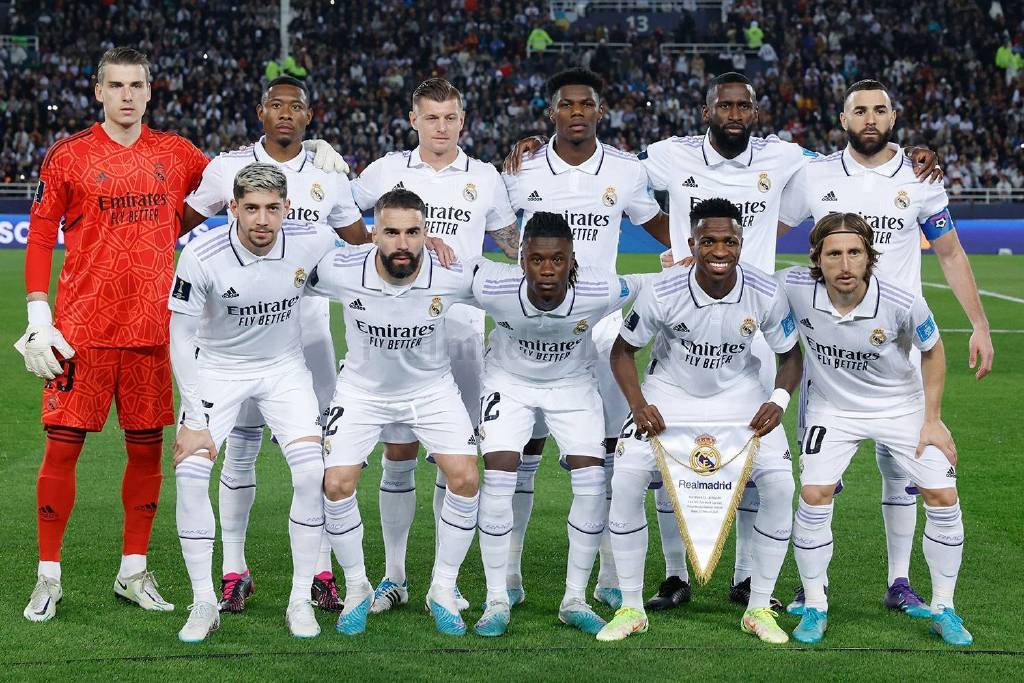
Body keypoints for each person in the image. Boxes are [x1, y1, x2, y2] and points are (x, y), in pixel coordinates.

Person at [778, 79, 993, 617]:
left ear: (893, 118)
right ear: (843, 119)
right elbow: (766, 229)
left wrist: (979, 324)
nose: (869, 119)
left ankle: (899, 580)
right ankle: (813, 587)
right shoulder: (815, 175)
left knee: (903, 470)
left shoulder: (920, 177)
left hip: (901, 344)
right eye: (859, 111)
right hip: (831, 349)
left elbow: (949, 252)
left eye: (879, 110)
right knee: (820, 480)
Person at [20, 46, 208, 623]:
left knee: (146, 452)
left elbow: (229, 181)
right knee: (61, 449)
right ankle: (48, 577)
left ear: (150, 91)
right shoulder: (68, 155)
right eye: (117, 85)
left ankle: (133, 571)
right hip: (82, 330)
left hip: (153, 329)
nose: (127, 95)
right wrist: (37, 313)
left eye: (137, 85)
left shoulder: (177, 153)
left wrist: (309, 152)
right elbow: (40, 234)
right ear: (99, 91)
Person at [182, 75, 367, 614]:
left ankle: (321, 572)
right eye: (276, 105)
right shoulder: (228, 168)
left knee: (319, 456)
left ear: (309, 116)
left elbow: (361, 247)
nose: (286, 114)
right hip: (238, 336)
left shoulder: (329, 173)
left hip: (308, 335)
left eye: (296, 107)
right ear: (260, 111)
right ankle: (234, 570)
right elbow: (180, 223)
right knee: (239, 451)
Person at [500, 67, 670, 611]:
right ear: (552, 112)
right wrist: (515, 258)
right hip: (536, 323)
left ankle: (608, 577)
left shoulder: (625, 169)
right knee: (523, 451)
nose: (577, 112)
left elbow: (658, 225)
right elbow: (500, 228)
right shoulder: (522, 166)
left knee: (611, 453)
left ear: (600, 111)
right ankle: (509, 575)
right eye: (567, 104)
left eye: (586, 104)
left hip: (602, 328)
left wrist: (693, 252)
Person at [348, 77, 518, 614]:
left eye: (450, 118)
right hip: (394, 334)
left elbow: (512, 244)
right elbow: (343, 221)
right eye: (431, 117)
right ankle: (393, 576)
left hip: (462, 335)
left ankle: (447, 582)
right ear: (413, 120)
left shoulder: (485, 177)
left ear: (462, 121)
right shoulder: (384, 171)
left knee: (456, 459)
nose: (441, 128)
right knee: (397, 452)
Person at [599, 198, 801, 643]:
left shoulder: (765, 291)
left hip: (741, 396)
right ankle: (631, 607)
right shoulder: (663, 290)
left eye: (729, 241)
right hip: (669, 394)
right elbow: (622, 352)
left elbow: (791, 356)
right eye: (708, 241)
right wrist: (638, 404)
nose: (719, 251)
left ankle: (758, 607)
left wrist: (779, 400)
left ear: (741, 243)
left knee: (780, 484)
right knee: (628, 476)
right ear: (692, 243)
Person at [778, 213, 971, 646]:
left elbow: (933, 350)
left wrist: (933, 419)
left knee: (943, 496)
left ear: (869, 257)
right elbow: (742, 282)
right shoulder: (792, 285)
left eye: (855, 253)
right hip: (832, 409)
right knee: (814, 493)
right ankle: (815, 604)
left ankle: (944, 608)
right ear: (817, 258)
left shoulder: (901, 300)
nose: (845, 264)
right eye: (834, 254)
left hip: (901, 407)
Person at [169, 163, 334, 642]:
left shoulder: (313, 240)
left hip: (284, 370)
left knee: (311, 473)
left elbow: (373, 261)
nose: (263, 219)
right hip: (217, 369)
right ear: (233, 208)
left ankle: (299, 599)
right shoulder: (202, 254)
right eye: (252, 208)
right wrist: (193, 416)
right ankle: (204, 602)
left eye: (273, 208)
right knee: (190, 472)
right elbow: (180, 336)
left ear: (287, 208)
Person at [306, 188, 479, 637]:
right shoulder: (343, 268)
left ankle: (442, 589)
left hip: (431, 390)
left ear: (427, 233)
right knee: (336, 484)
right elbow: (286, 270)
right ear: (374, 234)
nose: (402, 243)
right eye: (391, 232)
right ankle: (358, 588)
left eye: (413, 233)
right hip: (362, 391)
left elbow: (513, 285)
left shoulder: (451, 272)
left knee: (465, 478)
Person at [468, 212, 644, 637]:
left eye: (558, 260)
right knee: (499, 477)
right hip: (508, 383)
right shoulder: (491, 285)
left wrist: (685, 266)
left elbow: (646, 284)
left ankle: (575, 599)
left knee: (591, 482)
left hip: (572, 385)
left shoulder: (600, 289)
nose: (547, 270)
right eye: (537, 260)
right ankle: (497, 598)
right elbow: (443, 272)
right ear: (521, 260)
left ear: (572, 261)